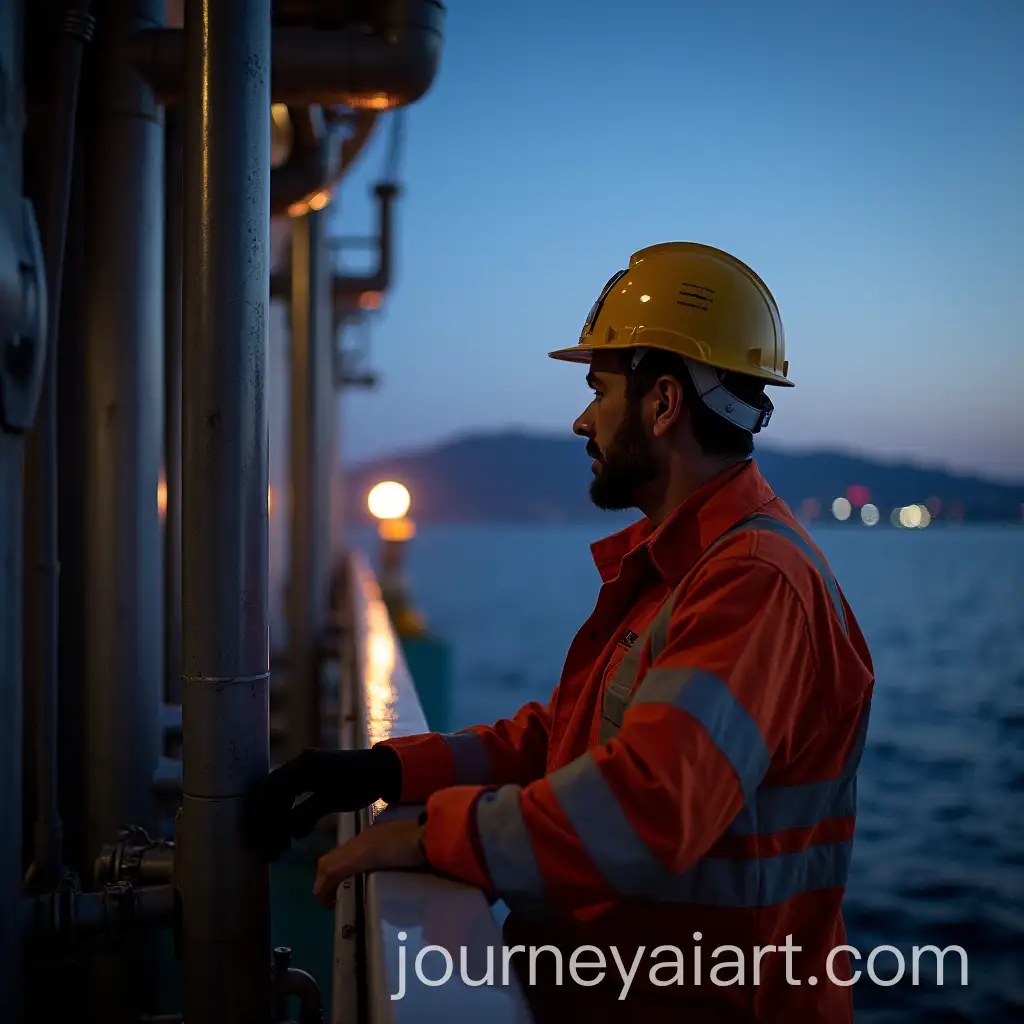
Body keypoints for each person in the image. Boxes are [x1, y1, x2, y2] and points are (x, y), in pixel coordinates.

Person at [242, 241, 875, 1023]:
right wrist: (382, 772)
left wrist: (423, 839)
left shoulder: (752, 582)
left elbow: (645, 807)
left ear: (664, 403)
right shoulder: (692, 563)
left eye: (598, 388)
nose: (582, 418)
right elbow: (568, 741)